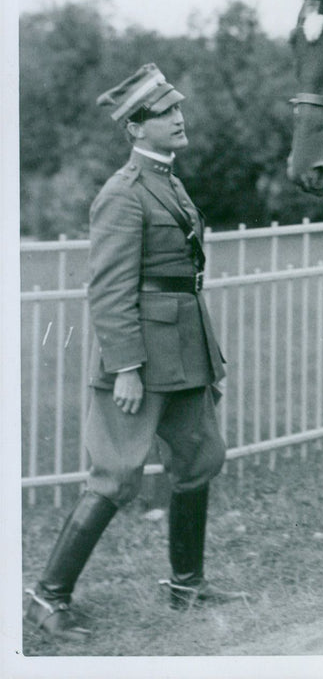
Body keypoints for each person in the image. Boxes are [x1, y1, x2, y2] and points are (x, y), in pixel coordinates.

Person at [25, 64, 246, 642]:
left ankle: (186, 584)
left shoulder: (168, 181)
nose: (179, 118)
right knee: (116, 476)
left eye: (178, 109)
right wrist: (125, 367)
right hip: (142, 360)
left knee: (199, 458)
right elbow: (109, 289)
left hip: (186, 351)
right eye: (165, 113)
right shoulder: (122, 194)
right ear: (134, 128)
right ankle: (46, 597)